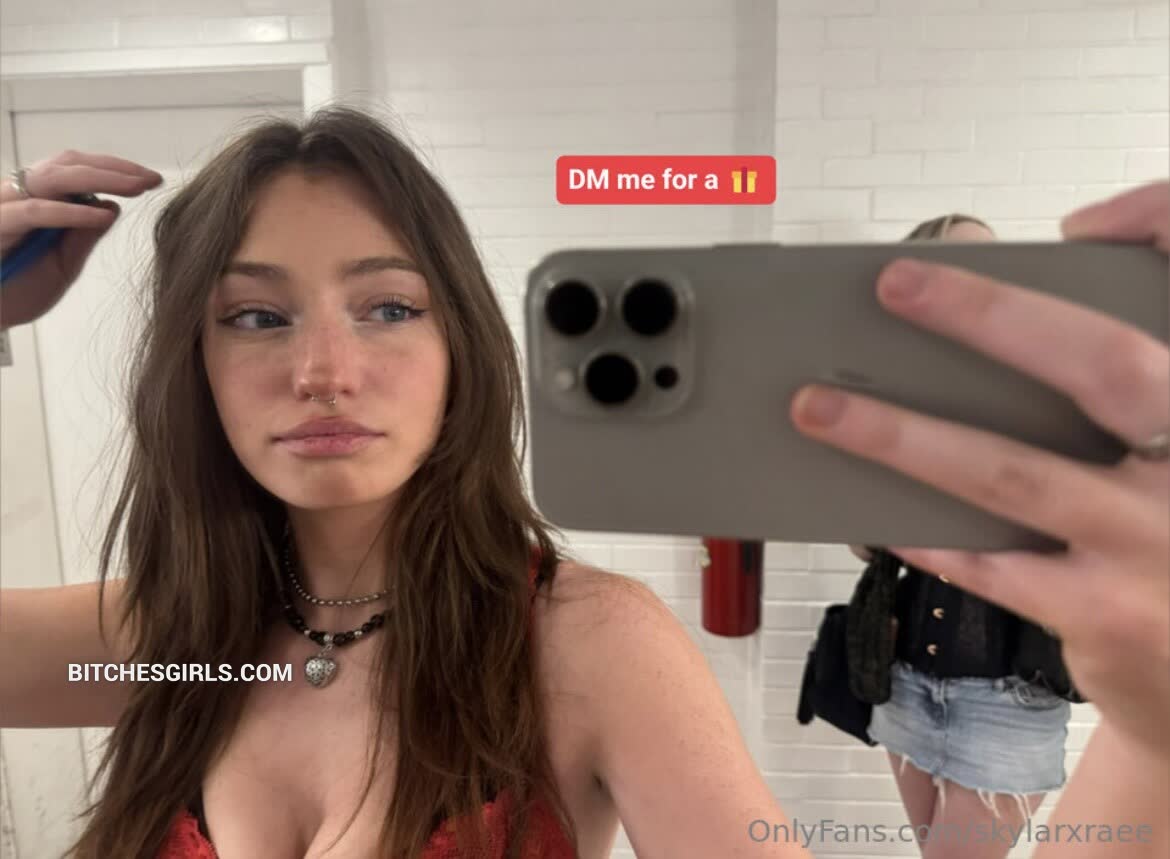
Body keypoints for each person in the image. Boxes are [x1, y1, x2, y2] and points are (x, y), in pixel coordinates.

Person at [0, 106, 1165, 858]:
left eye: (389, 306)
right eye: (257, 316)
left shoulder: (582, 645)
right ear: (193, 364)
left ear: (462, 347)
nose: (324, 371)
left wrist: (1155, 730)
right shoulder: (171, 638)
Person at [845, 214, 1078, 859]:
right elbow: (864, 546)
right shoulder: (893, 397)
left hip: (1012, 696)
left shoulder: (1052, 388)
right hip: (907, 681)